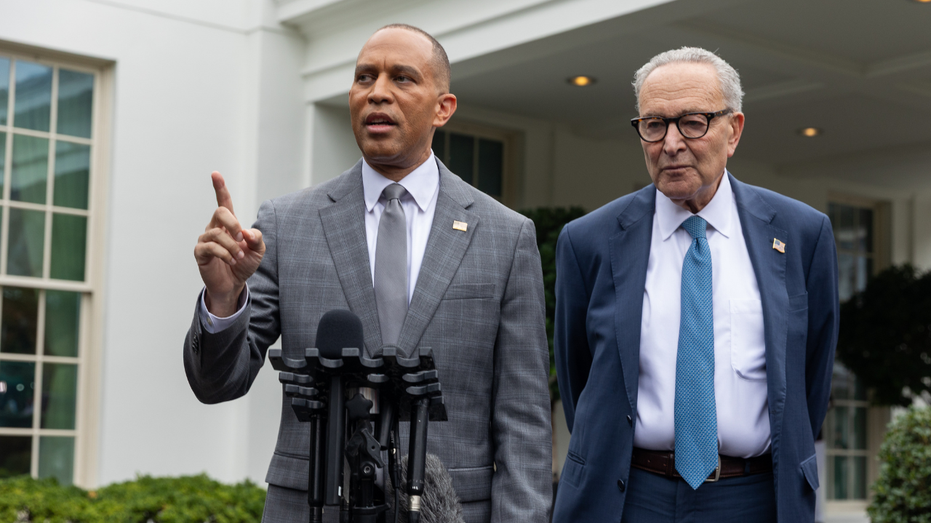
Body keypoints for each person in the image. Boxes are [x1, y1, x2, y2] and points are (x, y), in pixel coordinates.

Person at [184, 24, 552, 523]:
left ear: (443, 107)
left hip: (448, 508)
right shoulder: (286, 224)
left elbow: (524, 421)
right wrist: (224, 299)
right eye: (364, 77)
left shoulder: (505, 236)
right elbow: (217, 384)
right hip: (312, 506)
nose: (378, 92)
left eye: (402, 78)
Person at [551, 47, 838, 523]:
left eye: (693, 122)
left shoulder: (801, 234)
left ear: (734, 131)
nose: (671, 143)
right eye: (653, 124)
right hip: (625, 497)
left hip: (754, 497)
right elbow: (580, 376)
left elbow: (811, 378)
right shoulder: (589, 241)